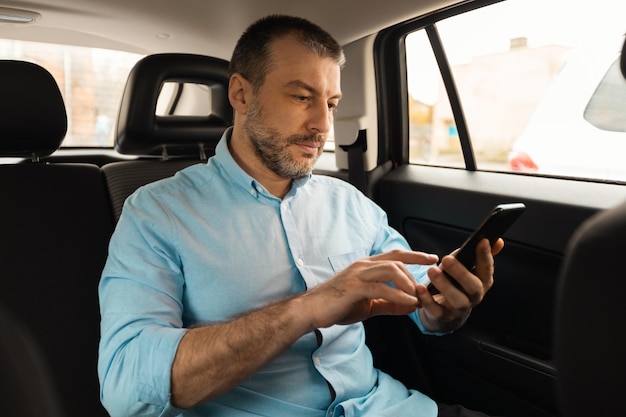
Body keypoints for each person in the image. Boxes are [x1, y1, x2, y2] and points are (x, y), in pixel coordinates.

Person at [98, 14, 504, 417]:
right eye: (301, 97)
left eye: (330, 103)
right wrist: (309, 307)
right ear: (240, 94)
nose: (322, 125)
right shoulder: (157, 213)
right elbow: (125, 388)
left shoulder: (351, 204)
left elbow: (420, 299)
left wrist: (441, 306)